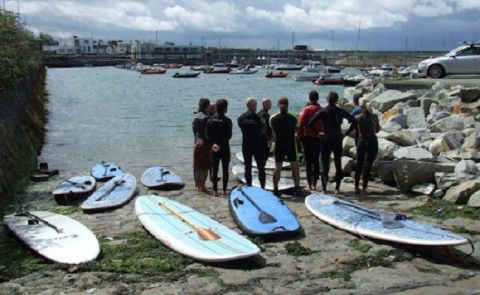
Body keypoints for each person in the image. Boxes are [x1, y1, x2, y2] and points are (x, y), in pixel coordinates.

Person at [308, 91, 356, 195]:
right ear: (337, 100)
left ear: (327, 99)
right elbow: (354, 121)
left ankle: (324, 189)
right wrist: (345, 133)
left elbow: (310, 124)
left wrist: (318, 133)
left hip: (326, 138)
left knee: (324, 164)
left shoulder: (323, 111)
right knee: (338, 164)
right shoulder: (340, 111)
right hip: (337, 138)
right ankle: (337, 189)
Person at [270, 97, 301, 196]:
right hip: (290, 144)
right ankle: (297, 188)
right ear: (288, 105)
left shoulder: (273, 118)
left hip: (279, 145)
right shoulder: (294, 117)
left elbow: (273, 133)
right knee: (295, 168)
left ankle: (275, 189)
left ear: (278, 105)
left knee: (277, 168)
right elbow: (297, 130)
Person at [238, 98, 266, 188]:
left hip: (246, 144)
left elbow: (242, 128)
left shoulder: (241, 117)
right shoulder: (258, 117)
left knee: (248, 166)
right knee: (260, 167)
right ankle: (262, 186)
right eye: (255, 105)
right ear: (253, 106)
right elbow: (263, 130)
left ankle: (249, 186)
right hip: (257, 144)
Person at [206, 99, 232, 197]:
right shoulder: (227, 120)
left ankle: (215, 191)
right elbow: (228, 136)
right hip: (224, 148)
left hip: (214, 148)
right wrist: (220, 145)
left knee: (214, 169)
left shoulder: (210, 119)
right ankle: (224, 191)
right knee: (225, 169)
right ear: (225, 108)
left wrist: (213, 144)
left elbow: (207, 135)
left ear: (216, 108)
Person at [297, 90, 323, 191]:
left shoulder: (307, 109)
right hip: (318, 138)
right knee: (316, 161)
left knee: (308, 162)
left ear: (309, 98)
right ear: (318, 98)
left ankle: (309, 184)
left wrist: (299, 137)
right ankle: (315, 183)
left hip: (307, 138)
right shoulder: (321, 109)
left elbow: (301, 124)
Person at [354, 97, 380, 194]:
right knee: (368, 164)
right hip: (372, 141)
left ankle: (356, 186)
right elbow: (377, 130)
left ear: (362, 107)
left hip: (362, 141)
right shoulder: (374, 117)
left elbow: (356, 129)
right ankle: (364, 187)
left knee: (359, 163)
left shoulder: (358, 117)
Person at [192, 98, 211, 193]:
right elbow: (208, 132)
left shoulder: (196, 117)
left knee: (197, 166)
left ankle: (198, 185)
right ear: (207, 106)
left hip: (197, 143)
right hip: (205, 143)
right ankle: (202, 186)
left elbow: (194, 131)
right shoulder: (206, 117)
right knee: (204, 166)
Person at [257, 98, 272, 163]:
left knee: (260, 156)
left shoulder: (259, 113)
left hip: (259, 138)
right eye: (269, 103)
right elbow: (267, 128)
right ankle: (261, 171)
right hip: (265, 139)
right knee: (265, 155)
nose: (271, 104)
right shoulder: (266, 115)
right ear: (264, 104)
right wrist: (269, 140)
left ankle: (260, 169)